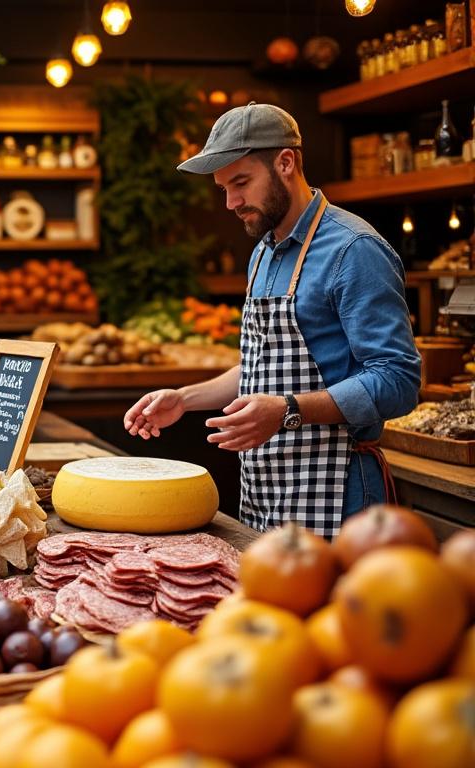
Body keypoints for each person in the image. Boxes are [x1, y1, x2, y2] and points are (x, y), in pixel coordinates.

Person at [123, 103, 420, 538]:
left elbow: (398, 380)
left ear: (285, 162)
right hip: (268, 495)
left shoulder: (354, 250)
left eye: (241, 183)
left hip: (340, 498)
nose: (231, 202)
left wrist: (288, 411)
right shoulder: (264, 251)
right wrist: (184, 399)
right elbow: (261, 366)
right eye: (223, 188)